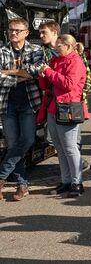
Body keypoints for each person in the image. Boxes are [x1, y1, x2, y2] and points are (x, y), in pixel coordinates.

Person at [39, 34, 87, 198]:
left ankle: (77, 182)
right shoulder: (56, 60)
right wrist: (43, 75)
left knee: (70, 148)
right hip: (54, 108)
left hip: (68, 108)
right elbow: (47, 84)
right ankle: (66, 181)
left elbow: (68, 84)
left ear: (68, 46)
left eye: (58, 46)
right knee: (59, 148)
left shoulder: (76, 61)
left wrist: (49, 73)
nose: (56, 48)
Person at [0, 17, 43, 201]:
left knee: (27, 140)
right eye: (11, 30)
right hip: (7, 104)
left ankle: (1, 177)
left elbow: (37, 71)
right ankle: (22, 184)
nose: (13, 33)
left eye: (17, 30)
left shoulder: (36, 50)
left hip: (29, 103)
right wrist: (21, 76)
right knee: (12, 144)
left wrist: (8, 72)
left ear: (26, 33)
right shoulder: (1, 51)